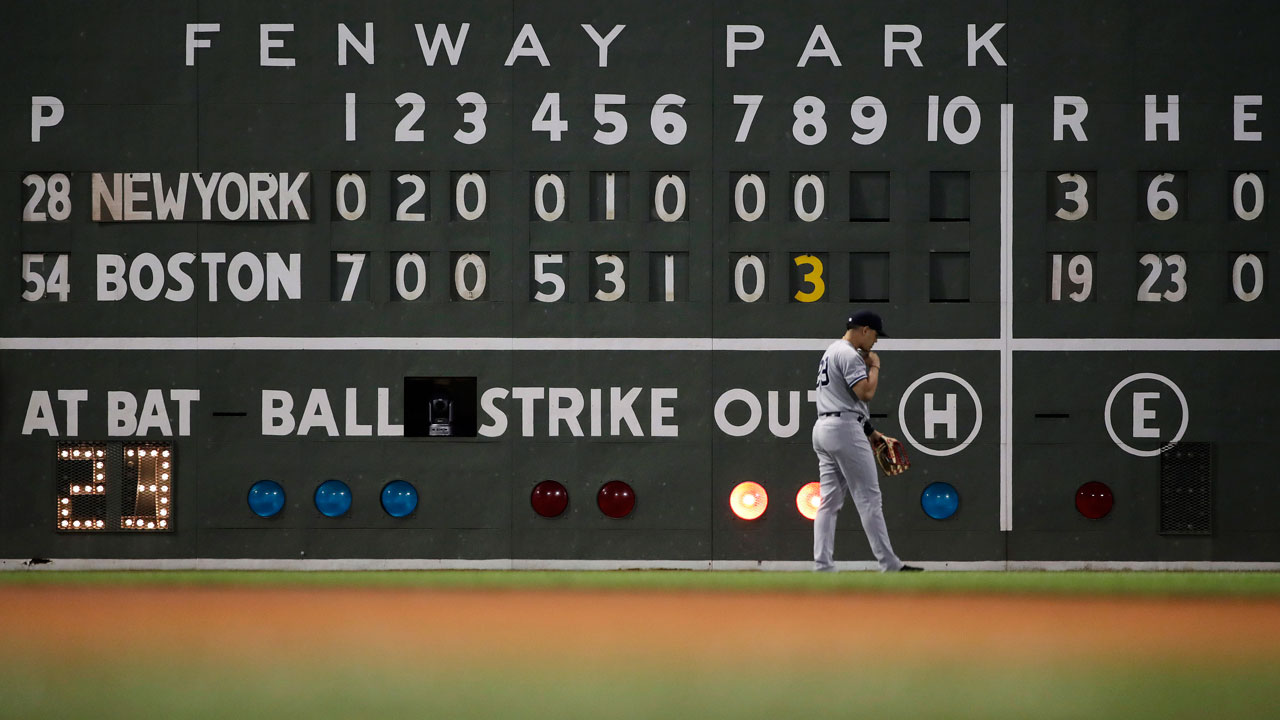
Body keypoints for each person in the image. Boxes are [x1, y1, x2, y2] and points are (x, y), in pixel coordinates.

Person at [811, 310, 922, 572]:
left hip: (824, 428)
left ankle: (823, 566)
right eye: (874, 334)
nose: (875, 341)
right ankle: (890, 564)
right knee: (869, 499)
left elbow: (846, 401)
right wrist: (875, 366)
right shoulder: (849, 354)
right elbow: (865, 393)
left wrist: (871, 433)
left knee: (828, 502)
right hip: (844, 429)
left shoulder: (831, 351)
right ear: (864, 330)